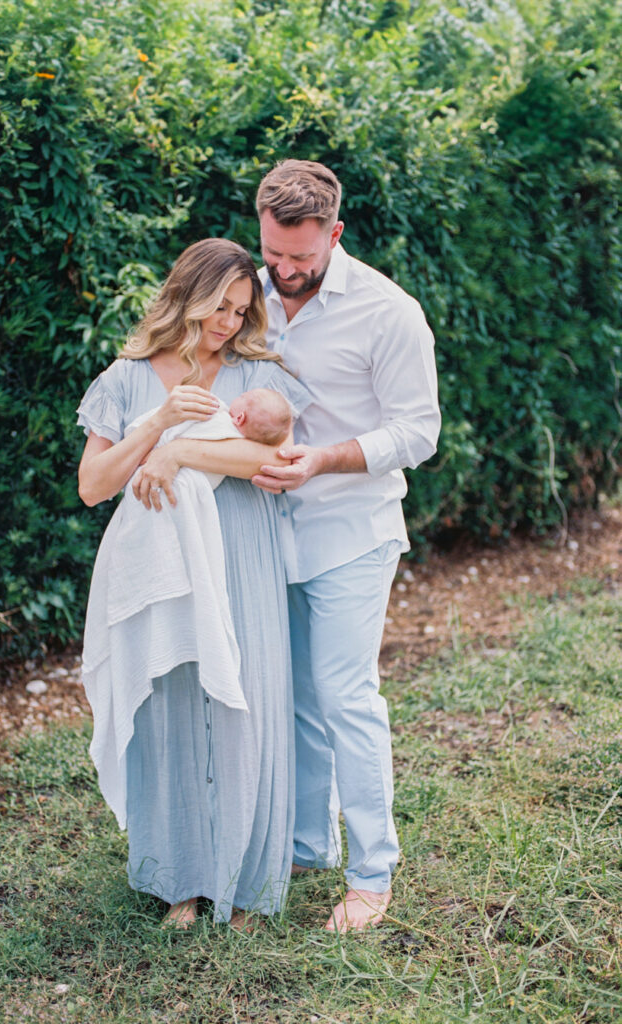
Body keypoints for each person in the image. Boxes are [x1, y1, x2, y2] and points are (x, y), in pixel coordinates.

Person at [76, 238, 311, 929]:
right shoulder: (125, 377)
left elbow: (273, 452)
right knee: (173, 705)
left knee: (246, 706)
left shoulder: (254, 373)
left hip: (242, 550)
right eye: (221, 306)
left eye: (242, 311)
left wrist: (180, 451)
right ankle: (181, 877)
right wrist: (157, 427)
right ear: (188, 291)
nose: (230, 323)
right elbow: (94, 486)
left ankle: (245, 883)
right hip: (164, 562)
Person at [250, 160, 441, 931]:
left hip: (351, 530)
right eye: (274, 254)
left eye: (302, 257)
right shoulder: (248, 295)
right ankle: (306, 843)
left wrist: (323, 459)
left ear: (335, 233)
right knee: (292, 696)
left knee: (345, 696)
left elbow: (419, 432)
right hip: (267, 531)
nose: (286, 272)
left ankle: (372, 874)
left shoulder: (389, 312)